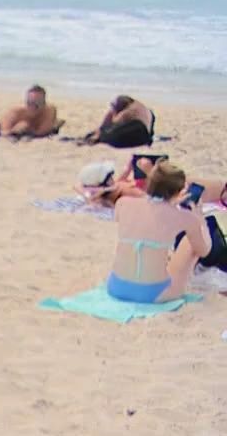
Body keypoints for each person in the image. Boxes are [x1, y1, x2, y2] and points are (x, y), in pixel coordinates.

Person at [105, 162, 210, 303]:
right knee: (192, 242)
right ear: (178, 191)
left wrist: (169, 203)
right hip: (152, 294)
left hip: (116, 287)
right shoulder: (185, 217)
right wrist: (200, 220)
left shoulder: (122, 203)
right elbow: (203, 251)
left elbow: (150, 215)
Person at [83, 95, 155, 148]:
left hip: (140, 130)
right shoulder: (140, 107)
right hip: (146, 134)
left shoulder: (128, 111)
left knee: (110, 133)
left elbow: (114, 122)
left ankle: (101, 139)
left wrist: (113, 113)